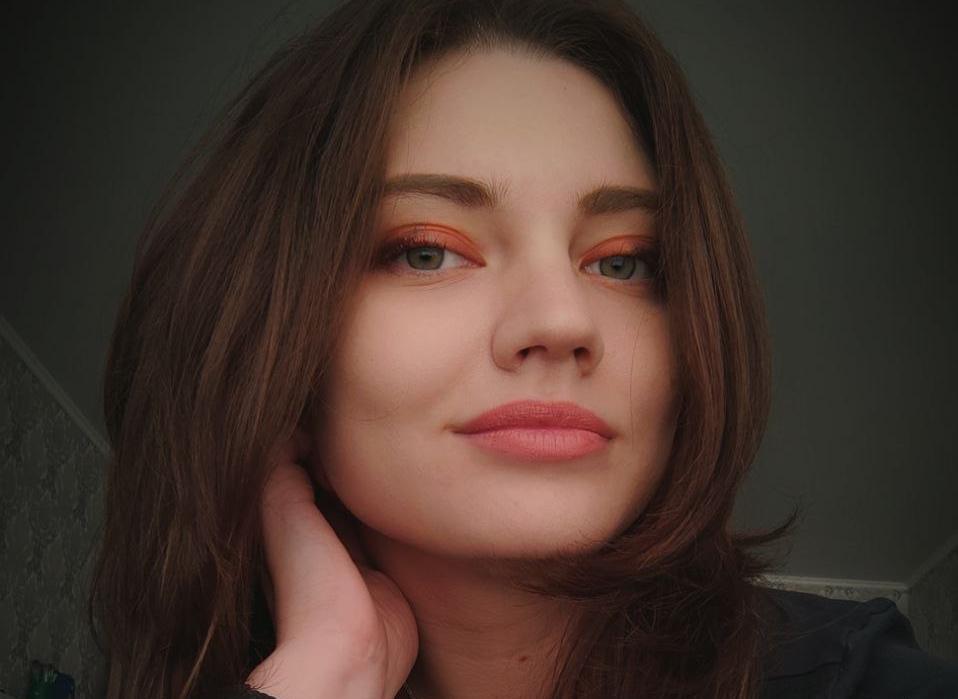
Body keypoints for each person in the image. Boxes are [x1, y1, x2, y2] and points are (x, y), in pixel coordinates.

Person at [88, 0, 958, 698]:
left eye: (624, 261)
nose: (563, 319)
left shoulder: (850, 675)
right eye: (427, 250)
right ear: (278, 344)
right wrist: (331, 669)